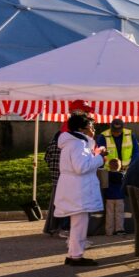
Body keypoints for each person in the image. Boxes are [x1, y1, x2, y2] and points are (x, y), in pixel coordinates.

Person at [55, 113, 105, 266]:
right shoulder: (78, 144)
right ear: (82, 129)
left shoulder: (73, 143)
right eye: (91, 126)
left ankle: (73, 253)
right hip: (78, 189)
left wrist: (94, 155)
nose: (94, 130)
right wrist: (100, 158)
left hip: (74, 187)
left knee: (77, 223)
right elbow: (81, 167)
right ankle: (76, 256)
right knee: (79, 223)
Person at [43, 101, 93, 237]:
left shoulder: (67, 127)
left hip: (62, 168)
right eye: (86, 111)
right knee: (70, 199)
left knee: (64, 198)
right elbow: (77, 156)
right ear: (77, 111)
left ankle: (58, 227)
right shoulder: (71, 130)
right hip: (66, 170)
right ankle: (65, 228)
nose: (88, 114)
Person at [103, 158, 126, 236]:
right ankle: (119, 229)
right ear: (119, 166)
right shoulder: (122, 175)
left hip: (109, 197)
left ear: (109, 166)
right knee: (119, 214)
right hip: (119, 197)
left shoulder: (106, 175)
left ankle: (109, 231)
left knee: (109, 214)